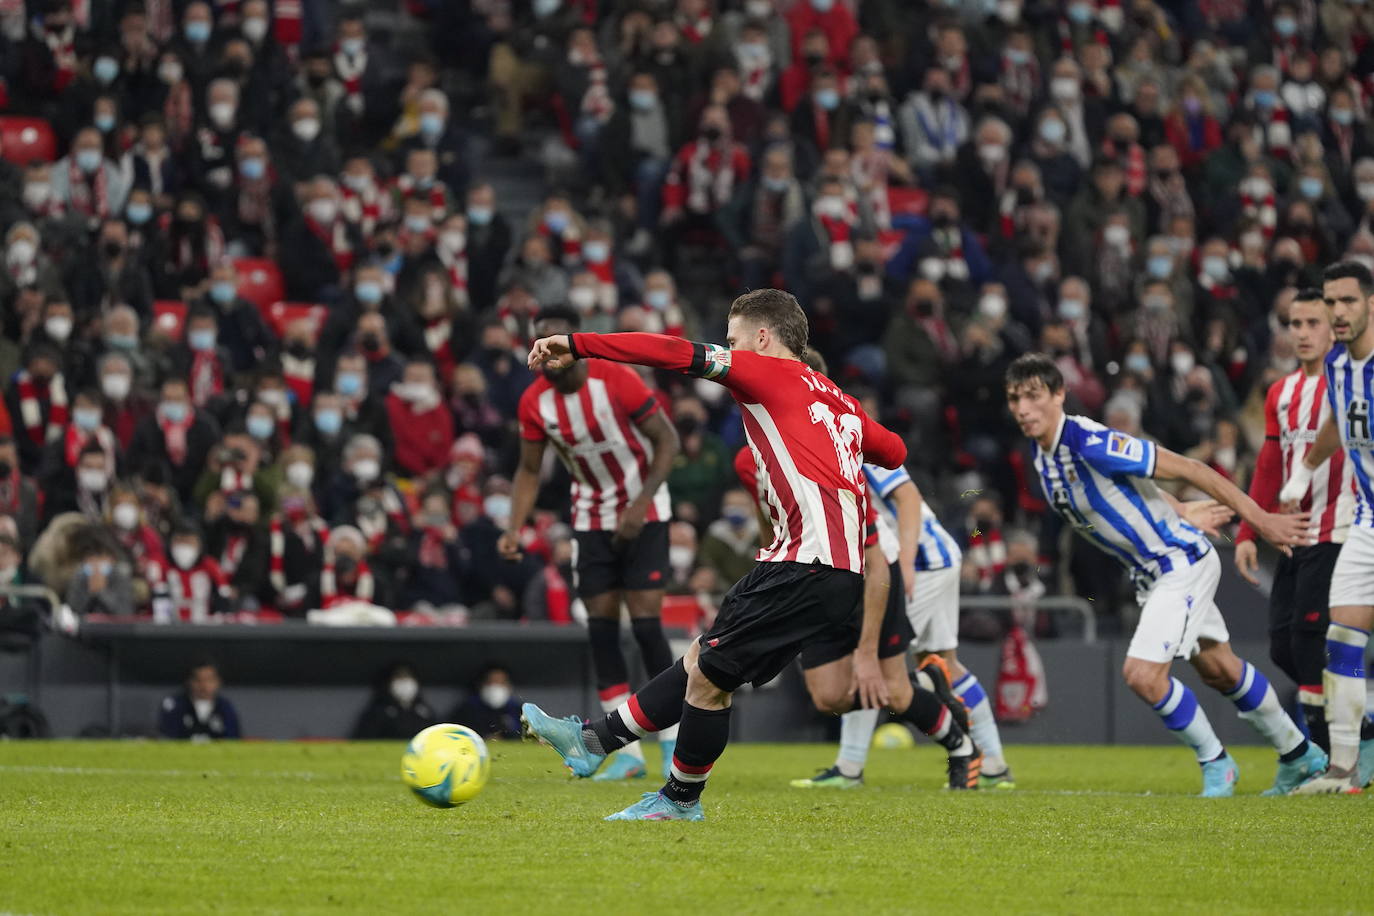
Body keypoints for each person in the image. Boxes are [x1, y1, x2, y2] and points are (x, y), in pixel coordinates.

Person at [520, 289, 975, 821]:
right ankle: (593, 742)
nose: (728, 348)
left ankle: (678, 800)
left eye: (733, 339)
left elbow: (669, 351)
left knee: (711, 680)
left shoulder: (763, 371)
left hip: (805, 564)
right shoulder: (837, 399)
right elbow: (893, 449)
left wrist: (577, 344)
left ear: (763, 337)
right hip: (824, 569)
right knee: (698, 661)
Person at [1004, 352, 1323, 797]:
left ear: (1059, 395)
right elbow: (1130, 486)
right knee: (1221, 670)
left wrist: (1260, 520)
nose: (1023, 408)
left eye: (1034, 396)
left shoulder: (1089, 441)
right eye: (1015, 398)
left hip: (1179, 562)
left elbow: (1190, 468)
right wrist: (1179, 509)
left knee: (1142, 674)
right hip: (1151, 573)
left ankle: (1217, 764)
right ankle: (1300, 756)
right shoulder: (1044, 458)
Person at [501, 305, 682, 782]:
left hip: (646, 510)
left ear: (572, 342)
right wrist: (514, 526)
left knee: (646, 627)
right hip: (590, 516)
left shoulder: (616, 380)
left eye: (554, 340)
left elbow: (667, 441)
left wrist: (641, 503)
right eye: (538, 342)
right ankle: (624, 755)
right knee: (601, 631)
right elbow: (528, 469)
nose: (546, 350)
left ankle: (671, 742)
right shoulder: (533, 403)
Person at [1233, 288, 1354, 762]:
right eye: (1294, 324)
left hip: (1338, 529)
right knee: (1284, 646)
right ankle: (1360, 735)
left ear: (1334, 328)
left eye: (1312, 324)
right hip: (1291, 536)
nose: (1302, 334)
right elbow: (1268, 465)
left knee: (1307, 642)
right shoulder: (1281, 393)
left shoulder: (1350, 384)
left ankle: (1330, 759)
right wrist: (1248, 530)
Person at [1279, 262, 1374, 793]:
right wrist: (1304, 471)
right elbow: (1339, 421)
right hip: (1368, 520)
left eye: (1348, 302)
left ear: (1371, 305)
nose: (1338, 313)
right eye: (1331, 303)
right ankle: (1344, 770)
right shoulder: (1338, 365)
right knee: (1341, 634)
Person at [351, 662, 438, 740]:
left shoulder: (424, 711)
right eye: (399, 677)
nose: (404, 682)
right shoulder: (377, 712)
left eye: (407, 676)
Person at [158, 660, 241, 740]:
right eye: (198, 680)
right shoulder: (175, 706)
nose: (203, 685)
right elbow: (166, 738)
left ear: (218, 682)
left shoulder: (225, 707)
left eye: (209, 680)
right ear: (189, 681)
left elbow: (234, 740)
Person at [450, 664, 523, 740]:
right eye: (491, 682)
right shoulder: (466, 710)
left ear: (509, 686)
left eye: (501, 682)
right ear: (481, 684)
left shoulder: (519, 711)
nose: (495, 687)